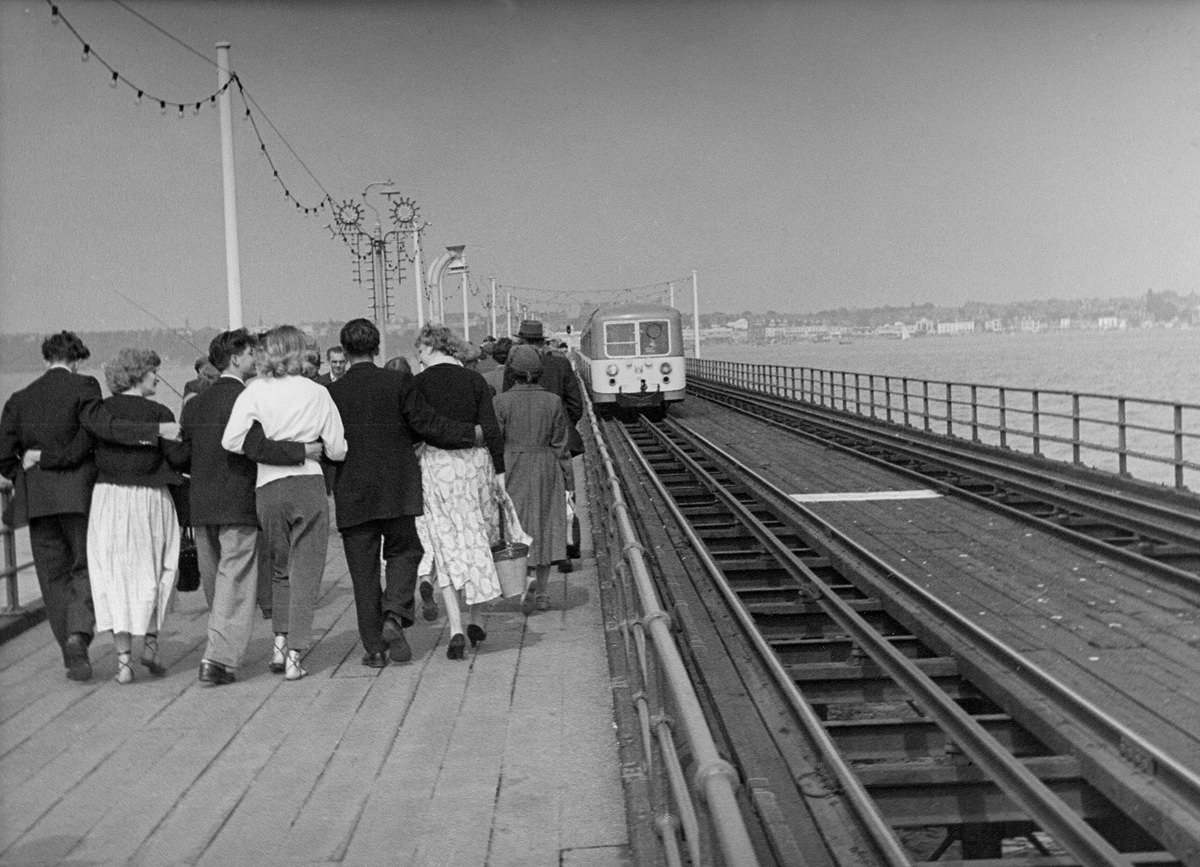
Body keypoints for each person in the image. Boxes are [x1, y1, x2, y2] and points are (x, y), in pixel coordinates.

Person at [0, 331, 173, 682]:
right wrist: (153, 433)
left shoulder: (18, 398)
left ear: (46, 358)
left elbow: (4, 458)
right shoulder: (85, 387)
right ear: (77, 359)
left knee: (52, 577)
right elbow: (96, 432)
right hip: (79, 496)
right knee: (84, 568)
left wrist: (27, 462)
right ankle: (79, 633)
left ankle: (70, 646)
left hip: (37, 501)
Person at [327, 319, 481, 667]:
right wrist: (471, 434)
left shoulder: (332, 393)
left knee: (363, 573)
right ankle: (394, 615)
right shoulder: (398, 382)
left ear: (345, 351)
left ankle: (375, 650)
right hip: (398, 488)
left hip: (353, 491)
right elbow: (428, 425)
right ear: (377, 347)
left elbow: (325, 445)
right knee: (406, 551)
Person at [180, 329, 310, 686]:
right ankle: (217, 659)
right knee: (234, 581)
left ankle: (222, 645)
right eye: (251, 352)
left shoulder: (196, 403)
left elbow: (181, 453)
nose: (257, 357)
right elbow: (257, 447)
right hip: (238, 503)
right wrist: (302, 452)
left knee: (217, 584)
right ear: (235, 358)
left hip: (201, 507)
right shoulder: (249, 398)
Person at [222, 325, 348, 681]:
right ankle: (295, 653)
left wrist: (270, 446)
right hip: (309, 484)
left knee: (279, 568)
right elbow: (337, 448)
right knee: (306, 572)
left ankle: (279, 641)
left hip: (268, 486)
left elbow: (232, 440)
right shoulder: (316, 391)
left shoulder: (254, 390)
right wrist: (307, 449)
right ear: (299, 353)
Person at [87, 348, 189, 684]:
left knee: (114, 576)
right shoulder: (159, 411)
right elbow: (178, 457)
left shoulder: (101, 410)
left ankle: (123, 662)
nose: (157, 377)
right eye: (153, 372)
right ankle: (151, 644)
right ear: (138, 375)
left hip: (108, 500)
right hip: (149, 499)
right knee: (156, 570)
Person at [410, 323, 505, 659]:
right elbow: (491, 430)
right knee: (479, 542)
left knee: (445, 546)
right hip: (477, 467)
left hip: (438, 469)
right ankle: (477, 618)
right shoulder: (475, 380)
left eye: (418, 349)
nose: (417, 356)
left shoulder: (417, 384)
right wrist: (500, 472)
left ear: (430, 345)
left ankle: (455, 628)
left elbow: (418, 429)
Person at [493, 345, 571, 614]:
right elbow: (561, 444)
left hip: (512, 465)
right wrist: (568, 481)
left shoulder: (501, 402)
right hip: (546, 466)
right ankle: (544, 593)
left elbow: (495, 442)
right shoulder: (553, 401)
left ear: (512, 372)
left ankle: (524, 582)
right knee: (545, 525)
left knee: (517, 526)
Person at [505, 319, 585, 571]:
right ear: (541, 341)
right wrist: (560, 425)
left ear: (521, 341)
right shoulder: (560, 363)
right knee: (562, 498)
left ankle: (529, 557)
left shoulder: (513, 366)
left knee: (523, 503)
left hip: (519, 448)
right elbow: (576, 405)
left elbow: (509, 400)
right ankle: (565, 550)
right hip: (556, 442)